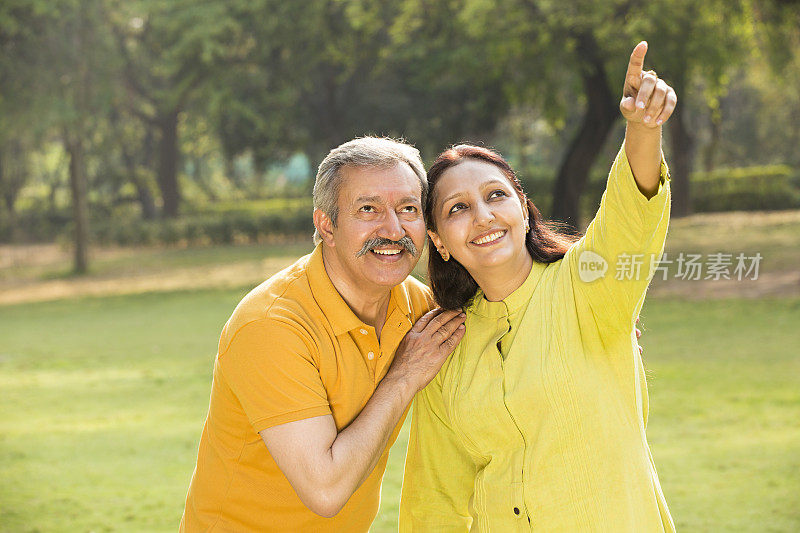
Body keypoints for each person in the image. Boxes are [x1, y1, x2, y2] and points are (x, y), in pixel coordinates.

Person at [399, 41, 677, 531]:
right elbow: (434, 497)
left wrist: (641, 129)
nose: (482, 216)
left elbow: (629, 220)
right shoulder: (443, 347)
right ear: (439, 241)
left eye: (495, 196)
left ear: (523, 210)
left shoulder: (586, 289)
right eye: (457, 208)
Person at [180, 137, 468, 531]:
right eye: (369, 209)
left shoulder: (418, 309)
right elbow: (325, 491)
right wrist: (404, 376)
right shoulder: (271, 325)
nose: (393, 228)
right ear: (326, 225)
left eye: (408, 209)